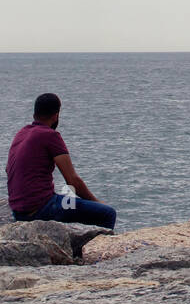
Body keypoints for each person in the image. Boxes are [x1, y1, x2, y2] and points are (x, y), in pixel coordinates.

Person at [6, 92, 116, 229]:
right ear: (56, 115)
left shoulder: (21, 133)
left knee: (65, 201)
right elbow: (72, 181)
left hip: (18, 211)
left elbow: (8, 170)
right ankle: (95, 249)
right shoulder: (50, 135)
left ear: (35, 115)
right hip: (40, 209)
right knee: (107, 213)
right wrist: (98, 202)